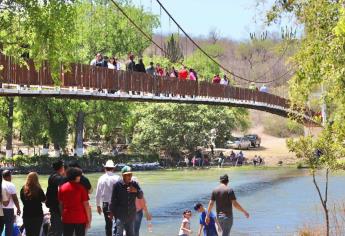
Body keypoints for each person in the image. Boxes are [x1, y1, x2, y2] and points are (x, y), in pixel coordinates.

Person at [110, 166, 143, 236]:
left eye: (131, 174)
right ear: (123, 175)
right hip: (120, 215)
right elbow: (113, 201)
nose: (130, 176)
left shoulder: (134, 184)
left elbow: (141, 196)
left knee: (131, 234)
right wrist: (111, 212)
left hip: (131, 215)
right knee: (119, 234)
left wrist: (136, 190)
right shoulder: (117, 185)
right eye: (128, 175)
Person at [58, 167, 91, 236]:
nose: (80, 177)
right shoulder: (81, 188)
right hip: (80, 218)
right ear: (76, 177)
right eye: (79, 176)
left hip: (67, 217)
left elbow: (61, 204)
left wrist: (62, 215)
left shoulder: (62, 188)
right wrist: (89, 220)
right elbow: (86, 204)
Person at [95, 160, 120, 236]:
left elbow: (98, 194)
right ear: (113, 168)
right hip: (116, 204)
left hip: (105, 204)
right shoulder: (118, 178)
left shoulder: (101, 178)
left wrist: (98, 206)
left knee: (108, 224)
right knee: (117, 222)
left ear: (105, 168)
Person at [20, 172, 46, 236]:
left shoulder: (23, 189)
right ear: (36, 179)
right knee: (36, 233)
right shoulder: (39, 189)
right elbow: (44, 200)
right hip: (37, 215)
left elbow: (22, 200)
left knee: (28, 233)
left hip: (26, 214)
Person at [46, 160, 65, 236]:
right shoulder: (56, 177)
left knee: (54, 227)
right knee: (58, 229)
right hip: (56, 207)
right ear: (61, 168)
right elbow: (62, 181)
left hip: (54, 206)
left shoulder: (52, 176)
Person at [2, 170, 21, 236]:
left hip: (0, 209)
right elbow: (15, 199)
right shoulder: (10, 185)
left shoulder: (1, 183)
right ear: (9, 176)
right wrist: (18, 208)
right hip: (8, 209)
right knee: (9, 227)